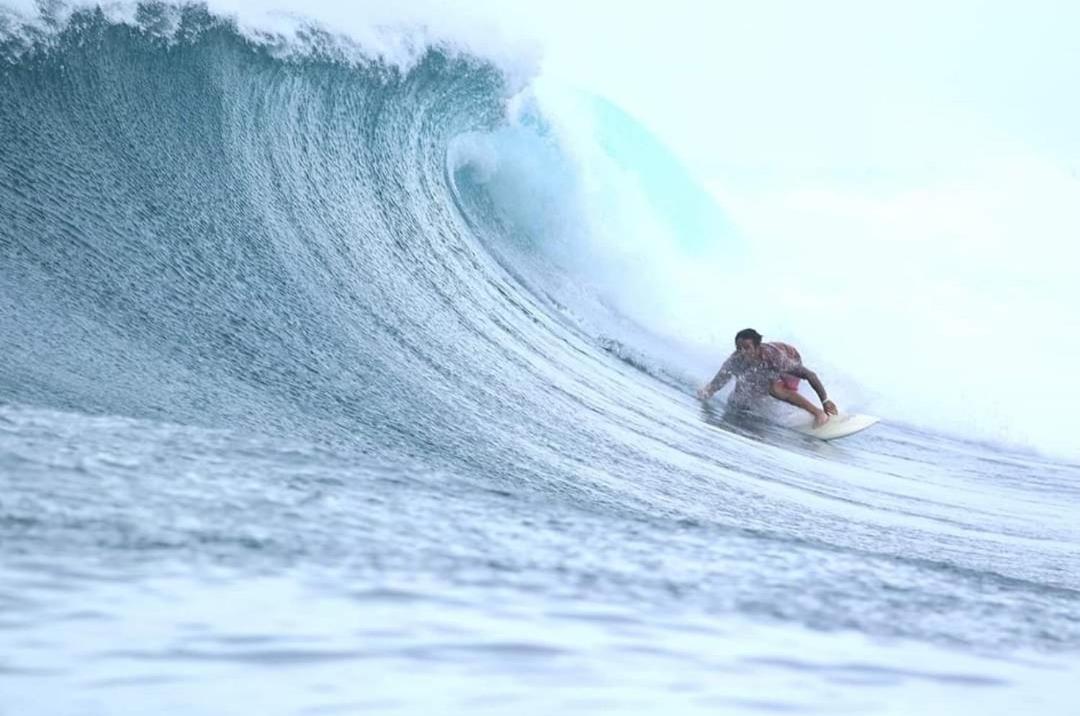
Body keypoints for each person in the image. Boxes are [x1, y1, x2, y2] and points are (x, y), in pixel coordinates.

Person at [697, 328, 838, 427]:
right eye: (739, 348)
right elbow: (717, 383)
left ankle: (818, 413)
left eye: (747, 348)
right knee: (737, 398)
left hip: (791, 356)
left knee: (775, 390)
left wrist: (825, 400)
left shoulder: (775, 358)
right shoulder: (735, 360)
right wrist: (706, 392)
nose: (742, 352)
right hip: (768, 366)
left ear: (757, 347)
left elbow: (810, 375)